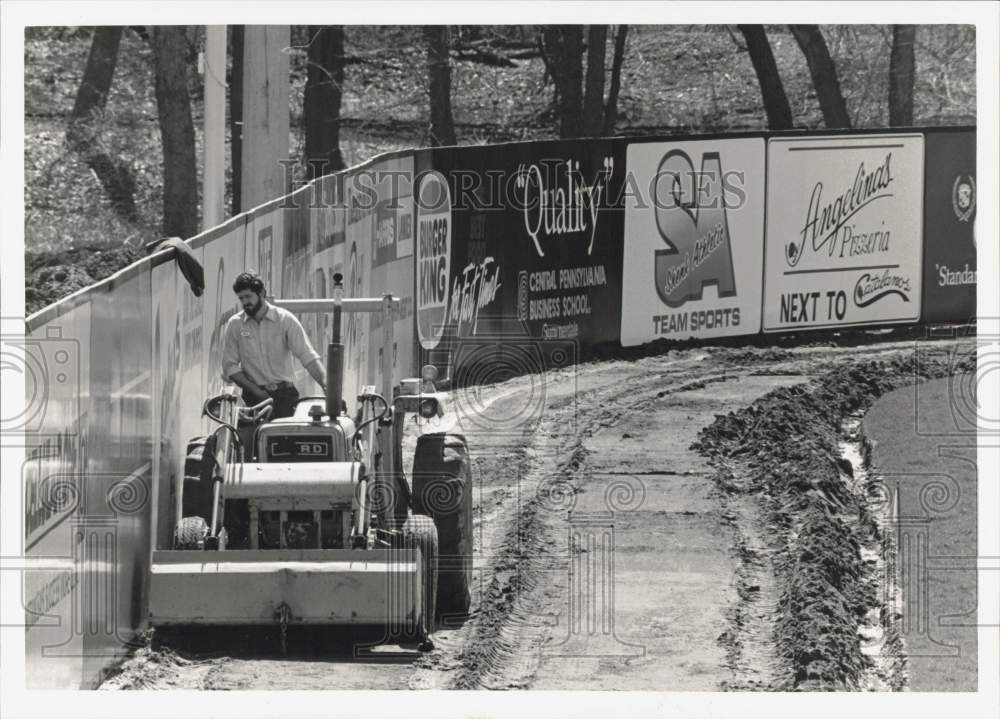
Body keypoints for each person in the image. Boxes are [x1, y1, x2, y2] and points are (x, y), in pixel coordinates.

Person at [221, 271, 326, 419]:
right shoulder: (235, 324)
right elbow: (229, 366)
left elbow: (307, 356)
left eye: (248, 296)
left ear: (262, 293)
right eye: (241, 298)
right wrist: (257, 392)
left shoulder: (285, 319)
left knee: (288, 441)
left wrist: (327, 385)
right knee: (252, 441)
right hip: (253, 399)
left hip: (285, 397)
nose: (245, 302)